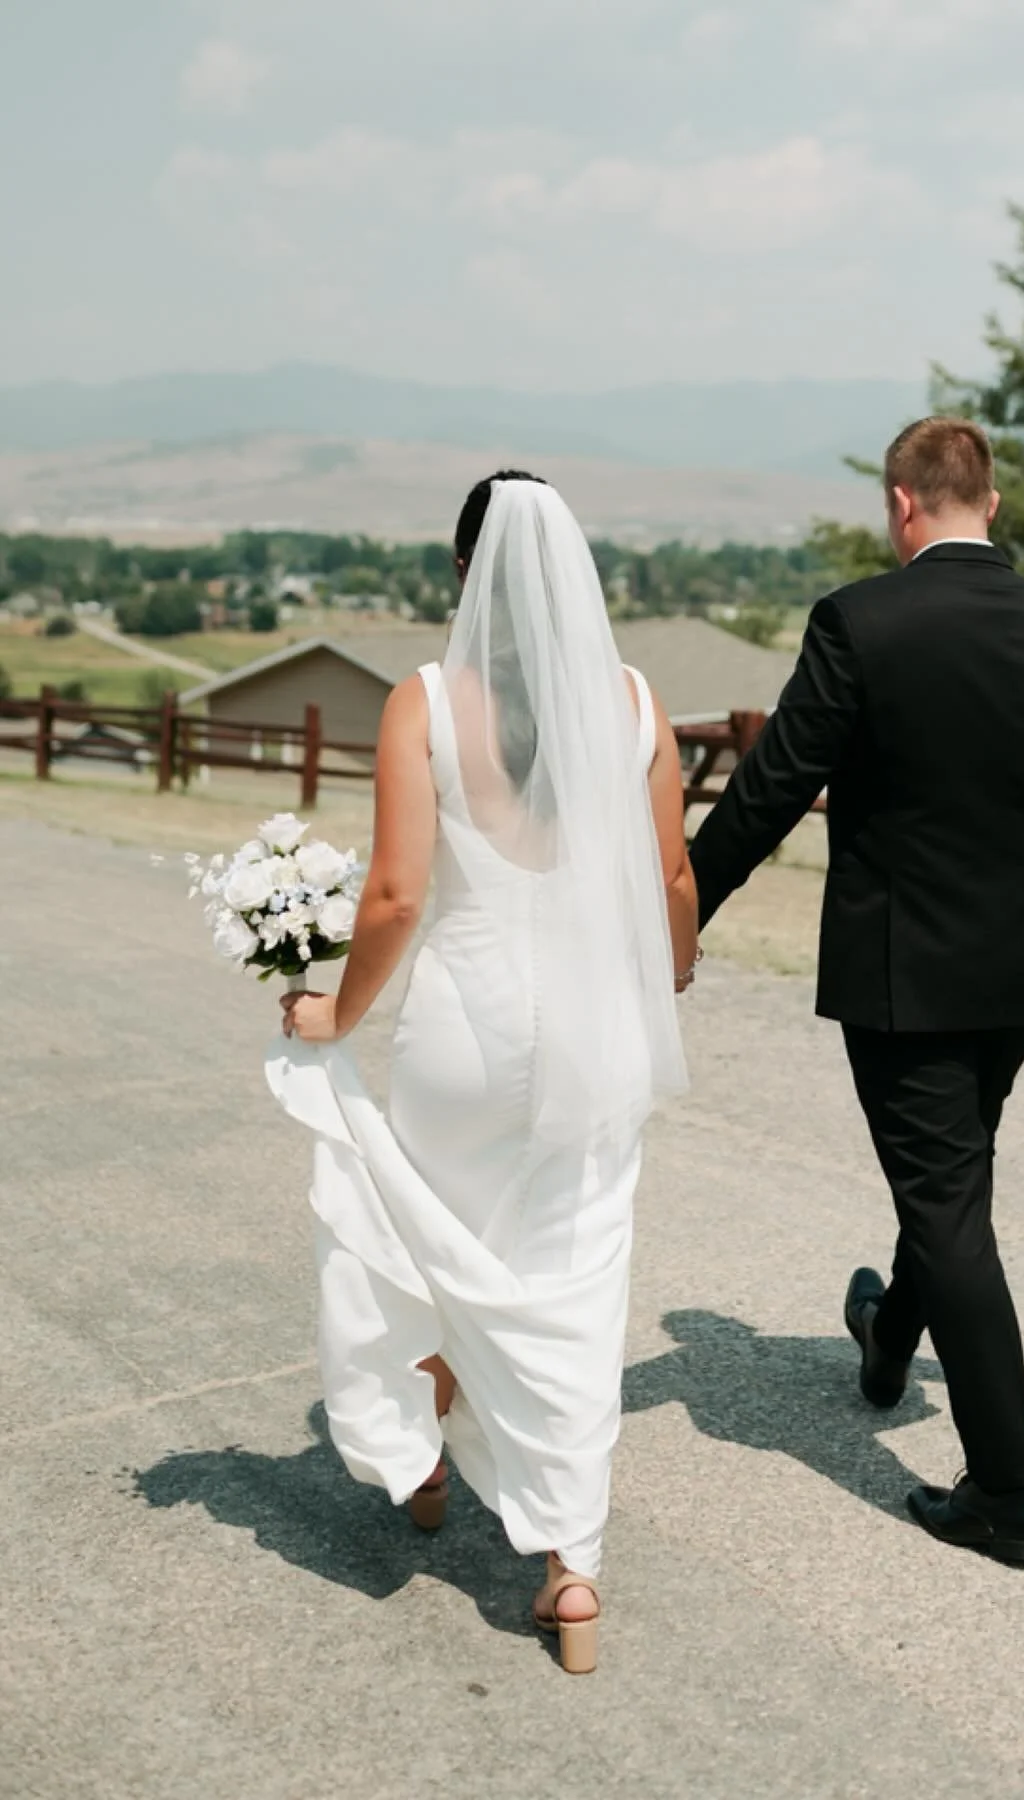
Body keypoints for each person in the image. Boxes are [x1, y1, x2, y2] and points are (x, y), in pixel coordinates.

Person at [688, 417, 1024, 1566]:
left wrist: (679, 907)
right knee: (949, 1174)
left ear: (901, 505)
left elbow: (774, 785)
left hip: (904, 981)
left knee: (946, 1204)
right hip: (1023, 978)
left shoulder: (860, 621)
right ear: (989, 503)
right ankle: (891, 1335)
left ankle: (1008, 1491)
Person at [274, 472, 697, 1672]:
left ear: (465, 574)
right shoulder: (630, 702)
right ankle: (571, 1576)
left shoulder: (420, 703)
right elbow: (669, 884)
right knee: (575, 1276)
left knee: (436, 1243)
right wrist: (677, 966)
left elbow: (399, 896)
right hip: (593, 1038)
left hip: (461, 1037)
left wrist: (334, 1012)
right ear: (571, 576)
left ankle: (423, 1472)